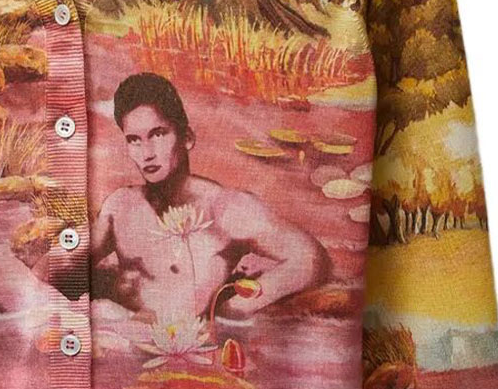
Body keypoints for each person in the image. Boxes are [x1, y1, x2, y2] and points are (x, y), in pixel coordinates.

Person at [90, 73, 330, 323]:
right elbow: (68, 272)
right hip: (126, 335)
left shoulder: (225, 208)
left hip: (195, 339)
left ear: (187, 138)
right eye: (134, 140)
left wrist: (235, 308)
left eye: (158, 134)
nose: (147, 153)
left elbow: (310, 259)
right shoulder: (121, 206)